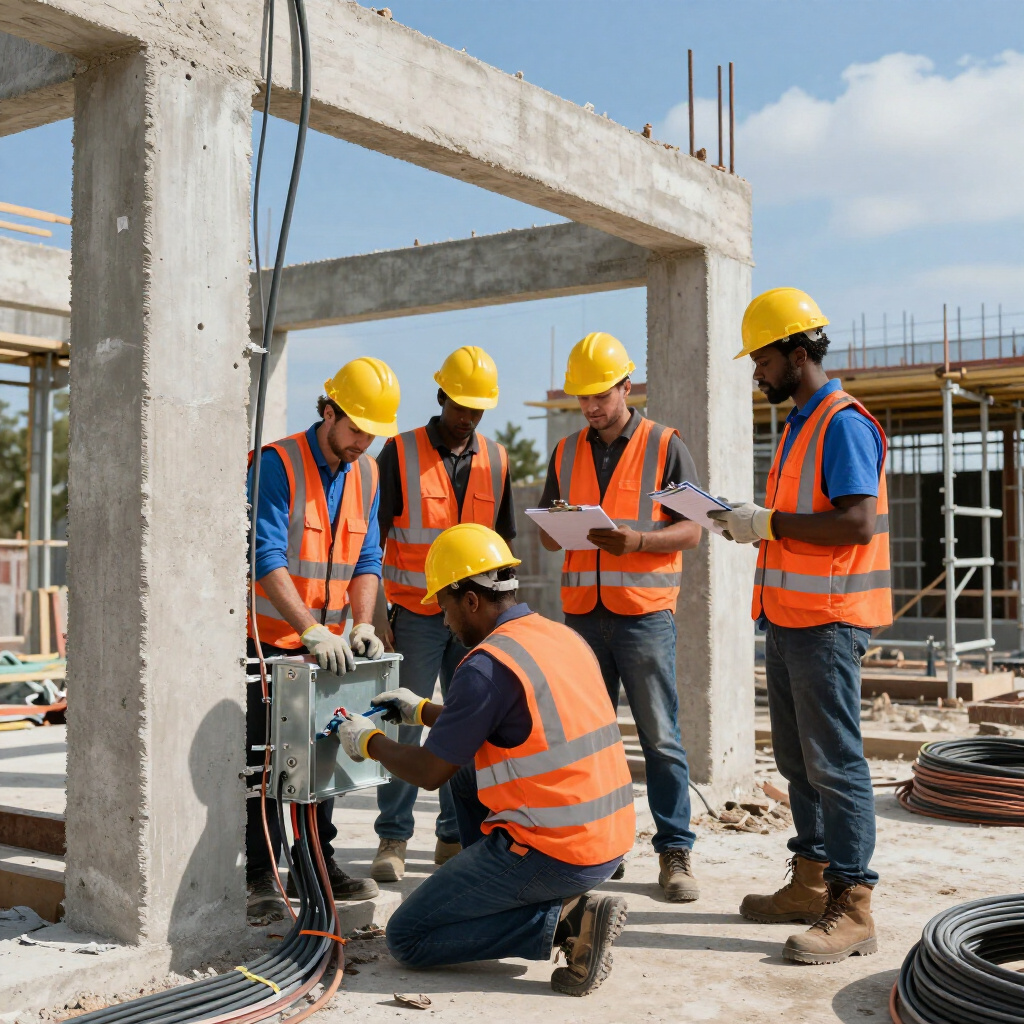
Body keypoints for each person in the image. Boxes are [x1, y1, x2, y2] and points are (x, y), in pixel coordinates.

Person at [334, 523, 633, 996]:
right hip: (607, 838)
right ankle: (498, 890)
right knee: (467, 775)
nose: (444, 620)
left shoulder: (485, 665)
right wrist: (420, 709)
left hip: (557, 853)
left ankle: (568, 923)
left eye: (445, 606)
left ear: (470, 600)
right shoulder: (559, 636)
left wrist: (366, 740)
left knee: (408, 938)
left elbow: (430, 772)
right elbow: (500, 720)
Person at [710, 287, 890, 964]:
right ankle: (812, 879)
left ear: (795, 351)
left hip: (829, 621)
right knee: (797, 763)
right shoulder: (800, 424)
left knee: (836, 766)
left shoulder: (841, 421)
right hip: (790, 619)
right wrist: (751, 524)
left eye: (760, 357)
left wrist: (768, 523)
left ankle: (854, 904)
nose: (755, 371)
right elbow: (799, 529)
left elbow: (854, 522)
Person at [536, 332, 703, 901]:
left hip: (644, 616)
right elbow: (551, 536)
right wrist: (555, 527)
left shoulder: (665, 445)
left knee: (661, 739)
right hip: (582, 616)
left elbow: (693, 529)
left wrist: (636, 540)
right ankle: (602, 847)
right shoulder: (564, 452)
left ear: (626, 386)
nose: (590, 407)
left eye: (600, 395)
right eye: (582, 397)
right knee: (591, 740)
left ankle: (675, 850)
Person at [245, 356, 401, 923]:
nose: (363, 441)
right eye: (356, 428)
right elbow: (266, 556)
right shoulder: (276, 464)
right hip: (270, 641)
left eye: (371, 432)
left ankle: (316, 861)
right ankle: (259, 871)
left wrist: (361, 623)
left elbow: (366, 558)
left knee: (327, 754)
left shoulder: (369, 473)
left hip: (330, 643)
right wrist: (306, 628)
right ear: (329, 411)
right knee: (264, 764)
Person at [371, 346, 515, 882]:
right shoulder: (399, 453)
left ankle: (453, 838)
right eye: (460, 407)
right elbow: (374, 537)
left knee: (468, 726)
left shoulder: (497, 459)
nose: (468, 419)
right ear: (441, 397)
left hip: (475, 616)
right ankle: (393, 837)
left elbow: (502, 546)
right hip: (413, 611)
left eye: (477, 410)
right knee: (404, 719)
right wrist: (377, 615)